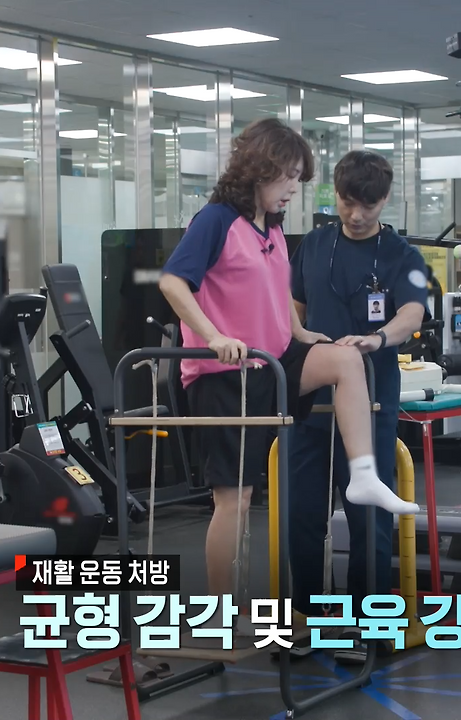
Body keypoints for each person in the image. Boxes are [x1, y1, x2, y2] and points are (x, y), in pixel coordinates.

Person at [158, 121, 418, 630]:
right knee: (236, 501)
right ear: (262, 170)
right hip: (225, 373)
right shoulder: (216, 219)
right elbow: (172, 282)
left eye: (299, 178)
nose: (295, 189)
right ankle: (220, 613)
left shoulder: (272, 227)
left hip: (273, 362)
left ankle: (364, 478)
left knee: (345, 359)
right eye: (290, 177)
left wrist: (300, 333)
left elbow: (279, 297)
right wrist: (212, 335)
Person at [288, 151, 427, 653]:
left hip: (370, 401)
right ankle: (307, 616)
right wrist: (299, 335)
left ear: (384, 199)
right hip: (309, 401)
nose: (356, 215)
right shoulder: (314, 244)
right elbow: (293, 305)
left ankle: (370, 625)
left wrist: (377, 338)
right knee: (302, 512)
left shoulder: (403, 255)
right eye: (348, 203)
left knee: (368, 516)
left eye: (367, 205)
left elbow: (412, 313)